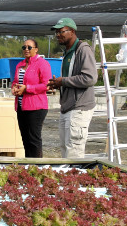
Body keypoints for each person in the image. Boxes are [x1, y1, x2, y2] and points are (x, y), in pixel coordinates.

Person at [47, 18, 97, 158]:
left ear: (72, 31)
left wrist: (63, 81)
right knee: (65, 150)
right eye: (56, 32)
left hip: (79, 108)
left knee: (74, 153)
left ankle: (75, 180)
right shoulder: (68, 52)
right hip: (67, 107)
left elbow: (90, 78)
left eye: (61, 31)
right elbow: (70, 79)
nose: (58, 35)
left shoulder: (83, 50)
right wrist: (57, 85)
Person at [11, 39, 51, 157]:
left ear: (36, 49)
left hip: (36, 107)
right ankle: (28, 166)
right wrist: (14, 88)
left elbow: (46, 85)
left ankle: (37, 166)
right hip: (21, 107)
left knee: (34, 139)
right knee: (26, 139)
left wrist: (27, 88)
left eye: (29, 47)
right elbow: (15, 81)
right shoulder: (20, 64)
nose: (26, 49)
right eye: (24, 47)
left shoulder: (42, 64)